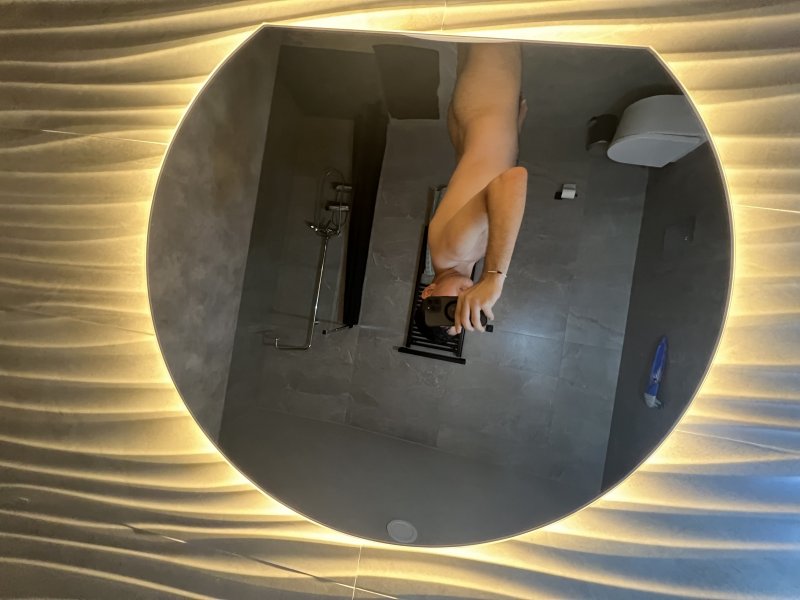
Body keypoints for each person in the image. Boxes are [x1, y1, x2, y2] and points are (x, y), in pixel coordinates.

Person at [419, 42, 528, 337]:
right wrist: (511, 132)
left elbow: (512, 181)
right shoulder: (459, 258)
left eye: (450, 307)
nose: (463, 302)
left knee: (491, 23)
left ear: (428, 292)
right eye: (462, 314)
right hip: (479, 112)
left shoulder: (454, 251)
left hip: (485, 100)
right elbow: (477, 174)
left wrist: (495, 277)